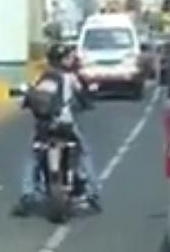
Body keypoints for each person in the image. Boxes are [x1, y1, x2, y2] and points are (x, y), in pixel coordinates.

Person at [12, 43, 103, 216]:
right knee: (84, 153)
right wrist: (88, 100)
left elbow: (27, 100)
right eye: (68, 57)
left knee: (33, 157)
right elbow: (84, 98)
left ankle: (27, 193)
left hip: (44, 128)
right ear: (63, 60)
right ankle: (93, 191)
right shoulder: (71, 78)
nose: (71, 60)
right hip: (66, 126)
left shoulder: (43, 78)